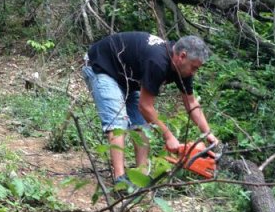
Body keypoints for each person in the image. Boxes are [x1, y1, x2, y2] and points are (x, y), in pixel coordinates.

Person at [82, 31, 219, 184]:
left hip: (126, 78)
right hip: (101, 67)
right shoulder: (158, 61)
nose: (194, 72)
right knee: (118, 120)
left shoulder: (183, 69)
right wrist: (168, 136)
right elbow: (145, 106)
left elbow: (191, 103)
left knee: (142, 126)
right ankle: (120, 178)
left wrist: (207, 133)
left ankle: (141, 176)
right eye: (194, 68)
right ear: (182, 56)